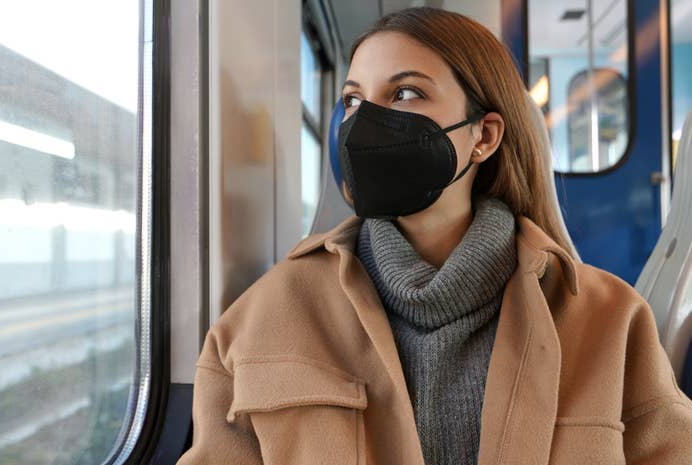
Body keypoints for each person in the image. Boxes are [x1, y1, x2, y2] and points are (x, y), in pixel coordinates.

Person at [176, 7, 692, 465]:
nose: (364, 124)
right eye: (353, 101)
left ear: (483, 137)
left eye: (404, 93)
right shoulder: (261, 320)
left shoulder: (609, 322)